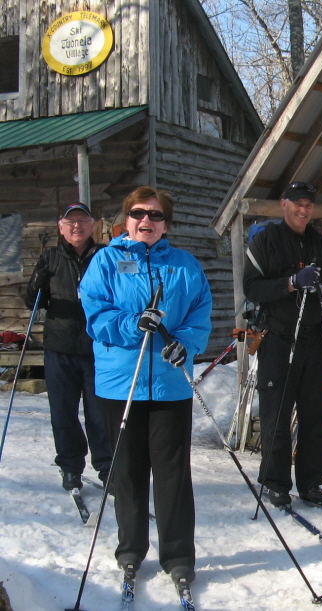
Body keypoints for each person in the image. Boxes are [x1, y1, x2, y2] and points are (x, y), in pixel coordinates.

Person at [80, 186, 212, 586]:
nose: (146, 221)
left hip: (171, 385)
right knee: (128, 472)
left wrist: (184, 345)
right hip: (121, 383)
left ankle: (178, 556)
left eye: (155, 216)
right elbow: (96, 312)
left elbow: (199, 315)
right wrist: (131, 324)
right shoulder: (106, 261)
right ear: (127, 219)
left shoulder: (186, 266)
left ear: (165, 224)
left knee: (173, 473)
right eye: (139, 214)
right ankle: (131, 550)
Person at [243, 182, 322, 508]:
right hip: (278, 336)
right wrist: (289, 284)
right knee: (277, 414)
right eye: (297, 203)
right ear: (284, 204)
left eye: (308, 205)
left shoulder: (320, 243)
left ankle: (311, 483)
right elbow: (251, 287)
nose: (303, 210)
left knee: (315, 414)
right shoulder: (266, 241)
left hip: (313, 337)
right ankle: (275, 482)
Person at [25, 203, 112, 492]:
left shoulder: (104, 255)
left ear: (92, 225)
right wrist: (37, 284)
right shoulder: (50, 258)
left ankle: (108, 468)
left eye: (82, 220)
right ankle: (71, 467)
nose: (77, 226)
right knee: (63, 412)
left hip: (96, 347)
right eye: (70, 221)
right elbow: (33, 302)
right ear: (61, 227)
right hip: (59, 347)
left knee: (100, 412)